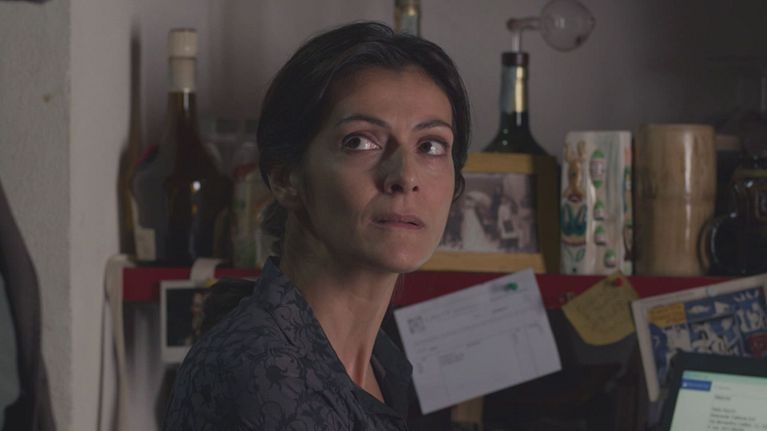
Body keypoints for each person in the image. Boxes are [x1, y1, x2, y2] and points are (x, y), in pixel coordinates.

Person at [163, 21, 471, 430]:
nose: (405, 176)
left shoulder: (380, 362)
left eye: (430, 145)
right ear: (286, 179)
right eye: (360, 141)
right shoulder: (262, 369)